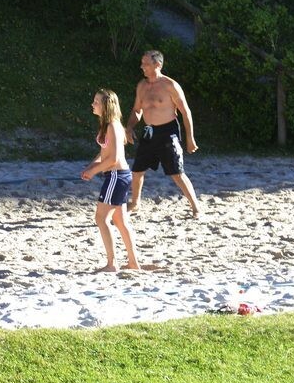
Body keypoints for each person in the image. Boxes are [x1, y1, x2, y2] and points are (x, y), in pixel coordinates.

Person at [126, 49, 204, 218]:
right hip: (149, 131)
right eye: (142, 63)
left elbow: (185, 112)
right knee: (137, 170)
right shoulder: (142, 86)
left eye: (146, 64)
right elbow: (137, 110)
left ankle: (195, 207)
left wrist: (190, 138)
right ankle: (135, 202)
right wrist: (129, 127)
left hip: (168, 132)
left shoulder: (170, 85)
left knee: (177, 173)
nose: (142, 66)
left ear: (157, 65)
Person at [81, 88, 147, 273]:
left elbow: (113, 159)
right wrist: (91, 166)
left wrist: (93, 171)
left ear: (106, 105)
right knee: (120, 221)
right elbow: (104, 152)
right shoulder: (108, 125)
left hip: (116, 176)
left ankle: (112, 263)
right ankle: (133, 263)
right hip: (118, 176)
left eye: (96, 101)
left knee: (101, 218)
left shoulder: (113, 126)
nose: (93, 104)